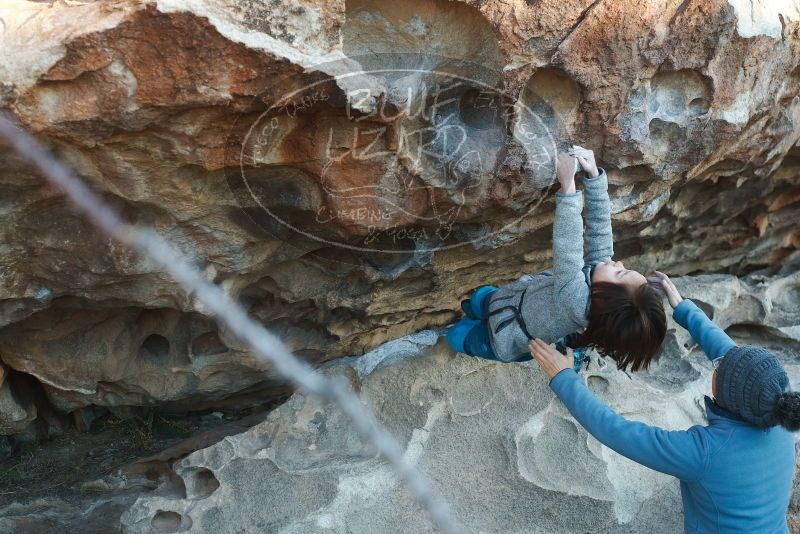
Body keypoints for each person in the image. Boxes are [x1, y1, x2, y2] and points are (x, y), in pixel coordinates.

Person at [529, 271, 799, 534]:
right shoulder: (778, 408)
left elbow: (617, 432)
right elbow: (734, 360)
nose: (717, 362)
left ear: (727, 396)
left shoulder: (704, 453)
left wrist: (564, 378)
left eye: (718, 367)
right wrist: (683, 308)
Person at [446, 146, 666, 371]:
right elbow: (599, 230)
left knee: (455, 337)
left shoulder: (575, 301)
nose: (618, 263)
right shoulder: (597, 279)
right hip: (509, 300)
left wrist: (568, 188)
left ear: (604, 299)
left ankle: (473, 329)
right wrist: (594, 178)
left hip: (504, 337)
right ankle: (475, 309)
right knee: (479, 300)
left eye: (620, 272)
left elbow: (568, 247)